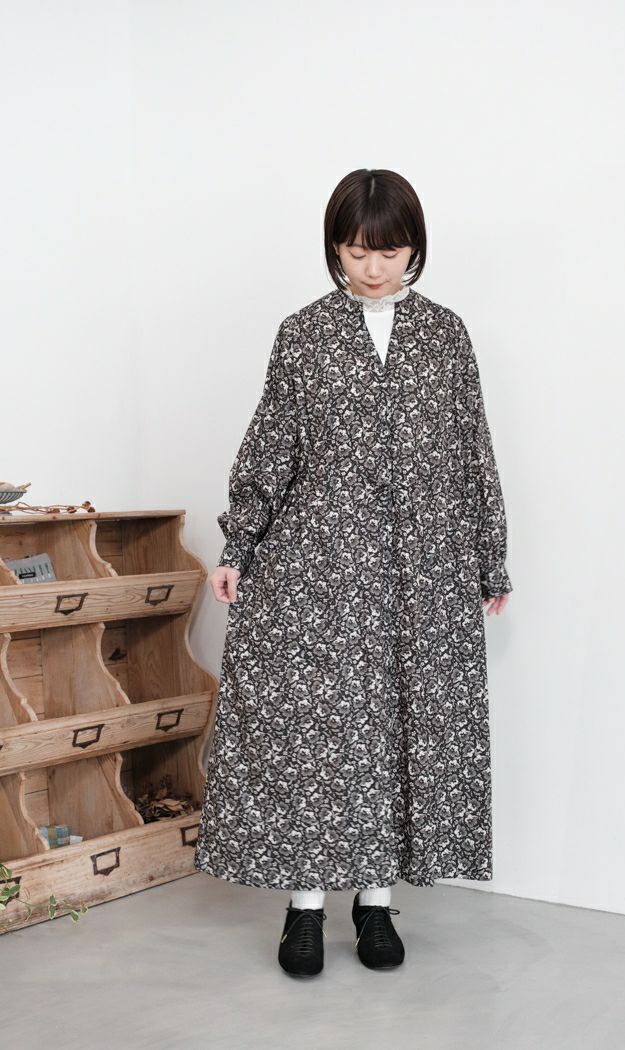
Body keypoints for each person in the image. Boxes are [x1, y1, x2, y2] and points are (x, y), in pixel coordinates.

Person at [193, 168, 513, 979]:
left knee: (397, 731)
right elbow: (272, 442)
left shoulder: (445, 336)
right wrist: (239, 545)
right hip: (318, 570)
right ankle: (304, 907)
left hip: (422, 569)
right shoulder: (303, 333)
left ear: (414, 249)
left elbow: (471, 451)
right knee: (319, 734)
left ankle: (376, 903)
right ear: (335, 248)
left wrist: (490, 558)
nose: (373, 268)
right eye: (357, 251)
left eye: (390, 251)